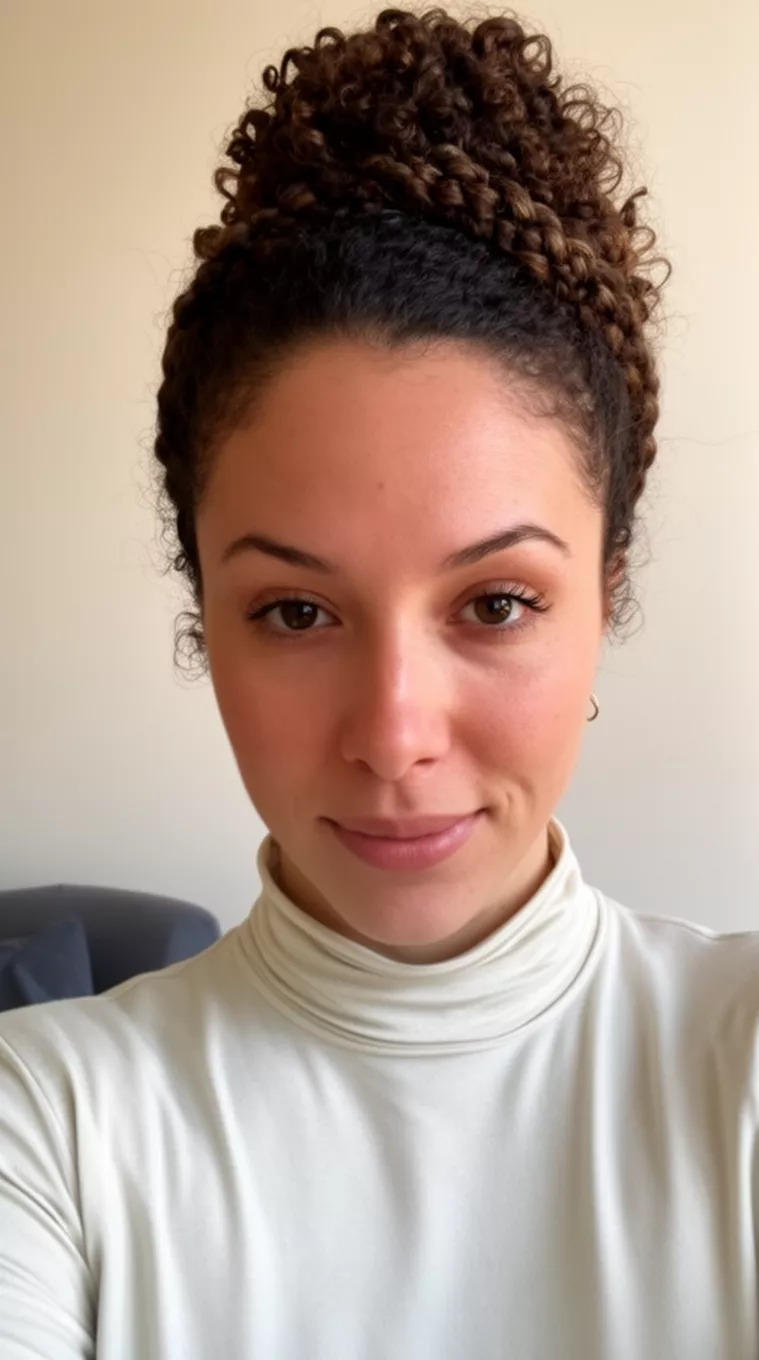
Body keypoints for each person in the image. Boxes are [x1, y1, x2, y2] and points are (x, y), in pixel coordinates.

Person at [1, 7, 757, 1357]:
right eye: (295, 609)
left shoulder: (735, 1069)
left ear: (607, 592)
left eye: (495, 604)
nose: (393, 734)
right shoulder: (45, 1127)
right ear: (202, 614)